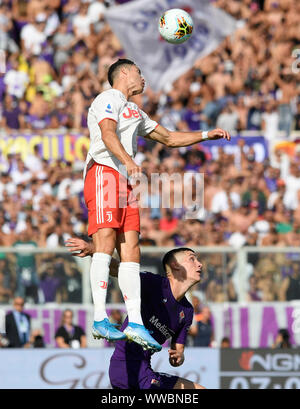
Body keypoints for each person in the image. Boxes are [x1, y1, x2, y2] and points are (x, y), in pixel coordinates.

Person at [84, 58, 230, 349]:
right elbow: (107, 133)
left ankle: (136, 322)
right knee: (105, 240)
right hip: (104, 171)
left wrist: (204, 135)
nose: (143, 78)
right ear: (124, 73)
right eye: (139, 72)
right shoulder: (108, 98)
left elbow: (170, 138)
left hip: (126, 179)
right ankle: (100, 317)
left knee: (131, 250)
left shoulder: (135, 110)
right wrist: (128, 160)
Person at [66, 238, 205, 389]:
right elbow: (119, 271)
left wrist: (179, 357)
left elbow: (178, 351)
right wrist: (94, 250)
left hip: (144, 371)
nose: (199, 264)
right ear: (175, 265)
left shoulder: (187, 310)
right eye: (192, 259)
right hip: (126, 368)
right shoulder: (155, 284)